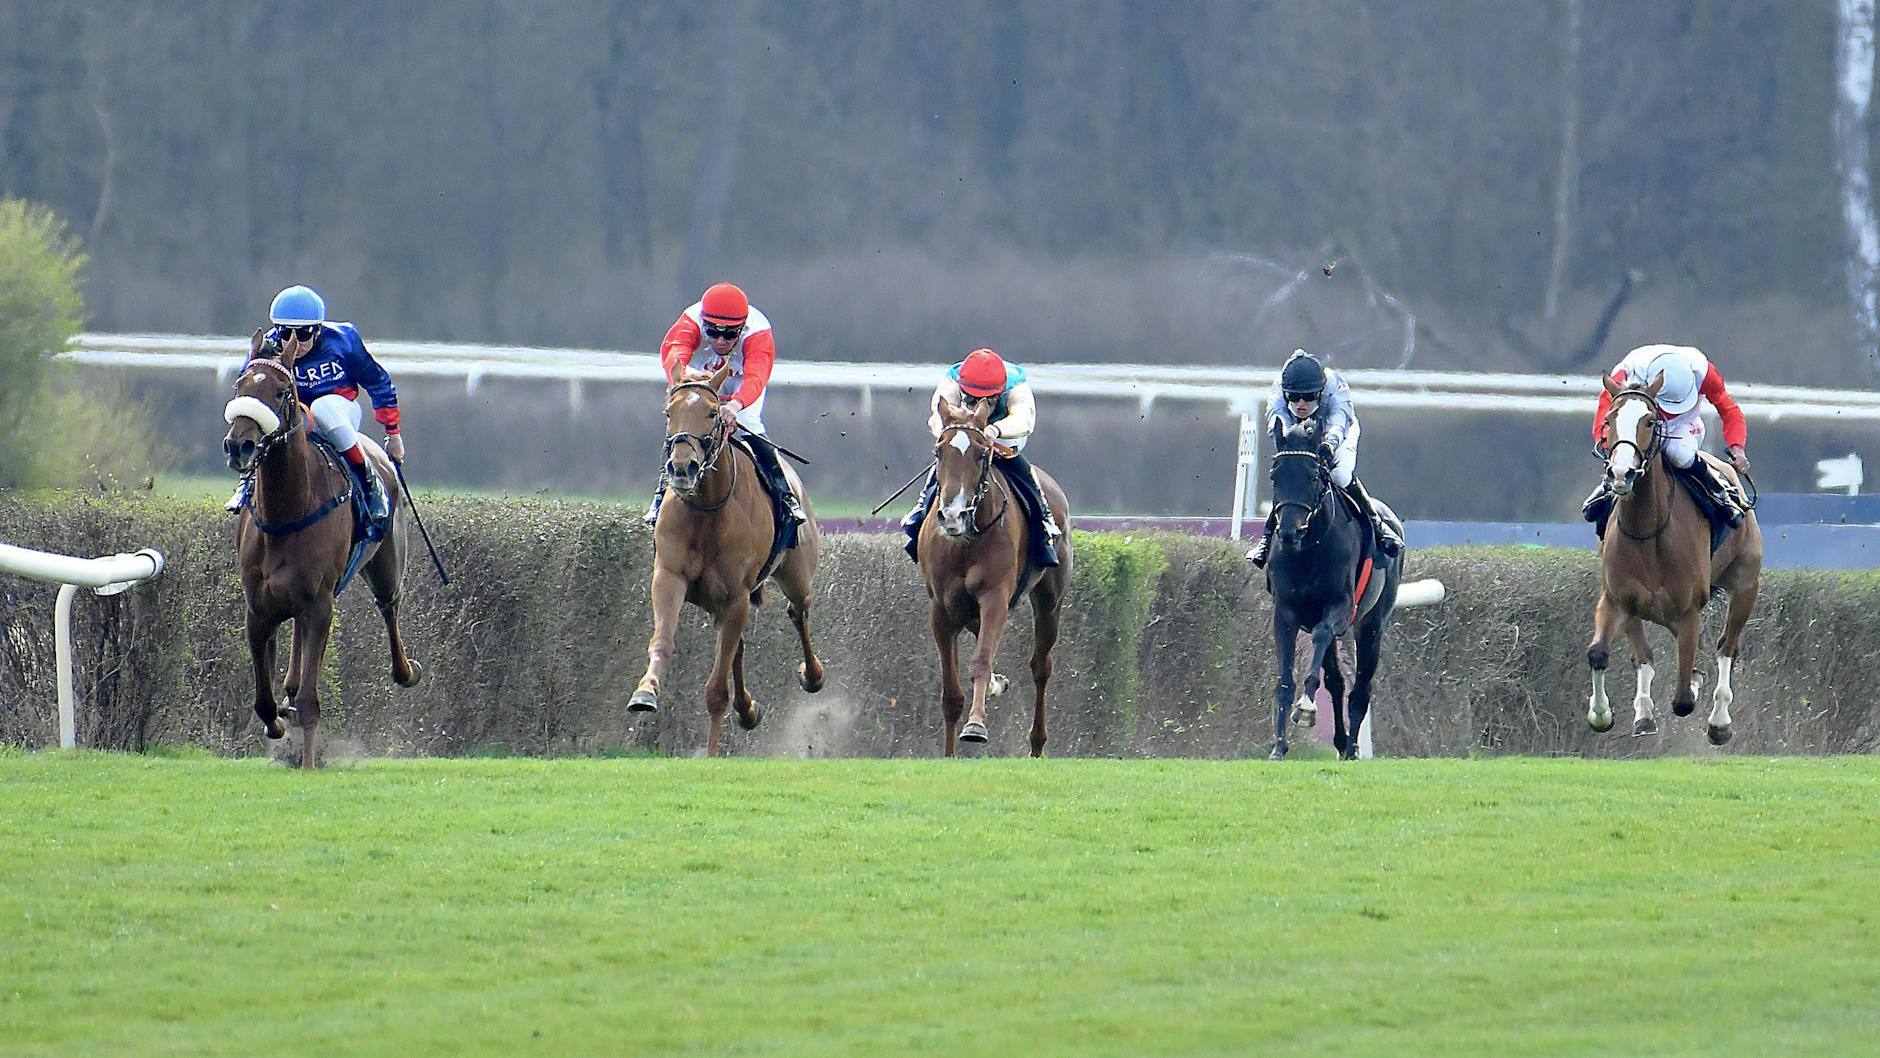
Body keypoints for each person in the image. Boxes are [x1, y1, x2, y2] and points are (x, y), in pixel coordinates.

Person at [226, 285, 402, 521]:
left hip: (339, 410)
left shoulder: (344, 341)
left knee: (323, 408)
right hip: (296, 416)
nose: (294, 342)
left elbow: (378, 382)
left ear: (318, 330)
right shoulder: (268, 346)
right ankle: (247, 480)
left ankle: (369, 481)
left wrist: (393, 433)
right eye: (285, 333)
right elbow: (248, 390)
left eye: (303, 334)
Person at [645, 282, 805, 527]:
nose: (720, 341)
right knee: (685, 423)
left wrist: (735, 406)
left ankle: (785, 497)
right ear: (704, 323)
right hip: (700, 375)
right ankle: (659, 497)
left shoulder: (758, 331)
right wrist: (683, 376)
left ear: (742, 328)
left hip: (741, 380)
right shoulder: (691, 319)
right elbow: (675, 350)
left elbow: (756, 377)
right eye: (712, 332)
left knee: (750, 423)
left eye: (730, 335)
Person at [901, 347, 1061, 566]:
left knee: (1021, 468)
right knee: (948, 462)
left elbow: (1024, 420)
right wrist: (952, 433)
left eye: (987, 400)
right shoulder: (952, 381)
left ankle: (1044, 520)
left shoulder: (1016, 386)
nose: (977, 405)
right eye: (970, 399)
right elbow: (937, 417)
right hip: (964, 432)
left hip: (1003, 436)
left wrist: (995, 430)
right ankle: (920, 511)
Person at [1248, 348, 1402, 568]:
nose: (1301, 404)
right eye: (1294, 397)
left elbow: (1339, 420)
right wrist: (1294, 447)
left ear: (1320, 393)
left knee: (1340, 476)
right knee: (1292, 477)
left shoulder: (1335, 386)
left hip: (1340, 431)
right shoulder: (1279, 386)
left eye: (1309, 397)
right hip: (1298, 431)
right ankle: (1266, 538)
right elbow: (1277, 420)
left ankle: (1378, 526)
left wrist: (1329, 444)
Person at [1582, 343, 1750, 530]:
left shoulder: (1704, 373)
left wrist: (1737, 447)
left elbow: (1729, 410)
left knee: (1679, 453)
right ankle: (1608, 483)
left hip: (1683, 424)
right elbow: (1607, 407)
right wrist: (1607, 444)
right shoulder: (1628, 371)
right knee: (1625, 448)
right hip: (1641, 420)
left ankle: (1720, 493)